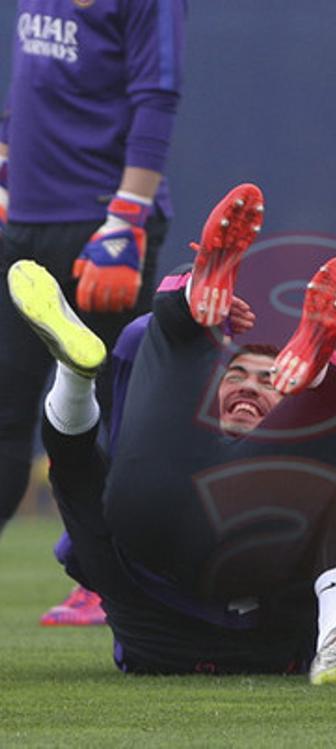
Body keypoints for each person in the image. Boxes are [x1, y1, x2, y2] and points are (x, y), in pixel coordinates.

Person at [7, 184, 336, 684]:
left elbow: (75, 496)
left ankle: (88, 367)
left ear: (291, 414)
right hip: (266, 619)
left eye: (267, 381)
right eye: (234, 377)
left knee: (90, 467)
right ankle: (335, 638)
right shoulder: (298, 473)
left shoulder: (300, 475)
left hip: (166, 597)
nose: (246, 387)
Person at [0, 0, 188, 620]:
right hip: (23, 224)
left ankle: (108, 577)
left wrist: (128, 217)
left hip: (101, 227)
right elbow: (35, 83)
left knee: (103, 414)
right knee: (5, 413)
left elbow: (157, 95)